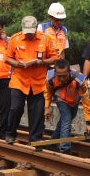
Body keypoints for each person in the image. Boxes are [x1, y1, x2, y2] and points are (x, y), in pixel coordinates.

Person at [4, 16, 58, 149]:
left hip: (38, 82)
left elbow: (54, 58)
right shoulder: (15, 39)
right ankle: (10, 134)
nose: (29, 34)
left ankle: (35, 140)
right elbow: (7, 58)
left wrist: (42, 62)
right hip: (19, 80)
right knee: (16, 108)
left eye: (31, 32)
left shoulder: (45, 39)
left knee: (37, 112)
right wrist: (17, 63)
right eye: (26, 32)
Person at [44, 59, 90, 154]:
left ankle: (51, 143)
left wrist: (89, 122)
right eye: (59, 76)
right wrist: (47, 107)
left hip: (73, 101)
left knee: (64, 122)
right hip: (60, 98)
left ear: (69, 71)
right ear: (55, 72)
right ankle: (65, 149)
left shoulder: (80, 80)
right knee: (66, 121)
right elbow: (48, 92)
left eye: (64, 76)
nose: (62, 79)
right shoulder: (50, 78)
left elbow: (86, 102)